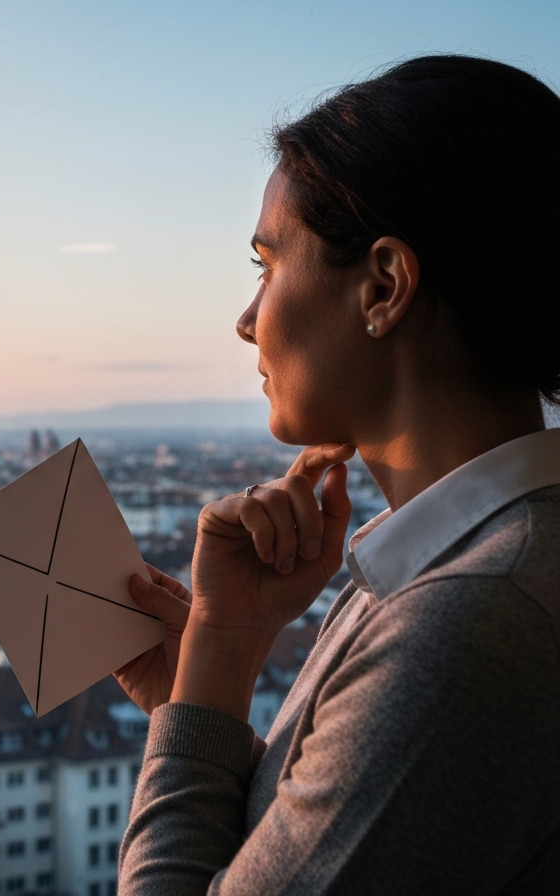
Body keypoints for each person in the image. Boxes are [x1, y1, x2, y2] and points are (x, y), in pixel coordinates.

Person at [113, 55, 560, 894]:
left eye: (267, 265)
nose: (247, 321)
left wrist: (207, 691)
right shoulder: (466, 568)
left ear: (383, 285)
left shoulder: (470, 616)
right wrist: (215, 660)